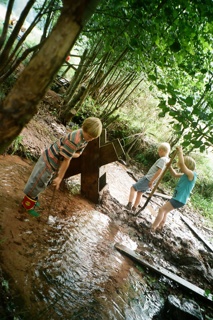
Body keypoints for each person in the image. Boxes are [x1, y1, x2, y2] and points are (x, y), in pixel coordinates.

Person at [21, 117, 102, 217]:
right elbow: (66, 160)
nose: (90, 139)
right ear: (83, 128)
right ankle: (26, 206)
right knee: (38, 182)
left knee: (43, 183)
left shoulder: (84, 139)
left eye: (92, 138)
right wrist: (60, 177)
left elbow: (78, 154)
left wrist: (68, 153)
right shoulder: (75, 139)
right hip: (49, 160)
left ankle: (32, 200)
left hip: (55, 162)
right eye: (89, 136)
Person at [151, 146, 197, 232]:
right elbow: (175, 174)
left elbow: (183, 165)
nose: (180, 166)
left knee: (162, 210)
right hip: (178, 199)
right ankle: (160, 226)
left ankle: (153, 227)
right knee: (165, 211)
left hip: (179, 199)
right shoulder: (185, 175)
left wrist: (180, 152)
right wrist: (170, 167)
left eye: (181, 165)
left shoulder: (192, 175)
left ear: (187, 166)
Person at [126, 142, 171, 213]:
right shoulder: (167, 160)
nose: (158, 152)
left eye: (159, 151)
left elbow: (160, 171)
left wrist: (152, 181)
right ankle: (134, 208)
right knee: (140, 192)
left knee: (133, 188)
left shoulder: (163, 159)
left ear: (162, 150)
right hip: (150, 179)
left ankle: (129, 205)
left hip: (149, 179)